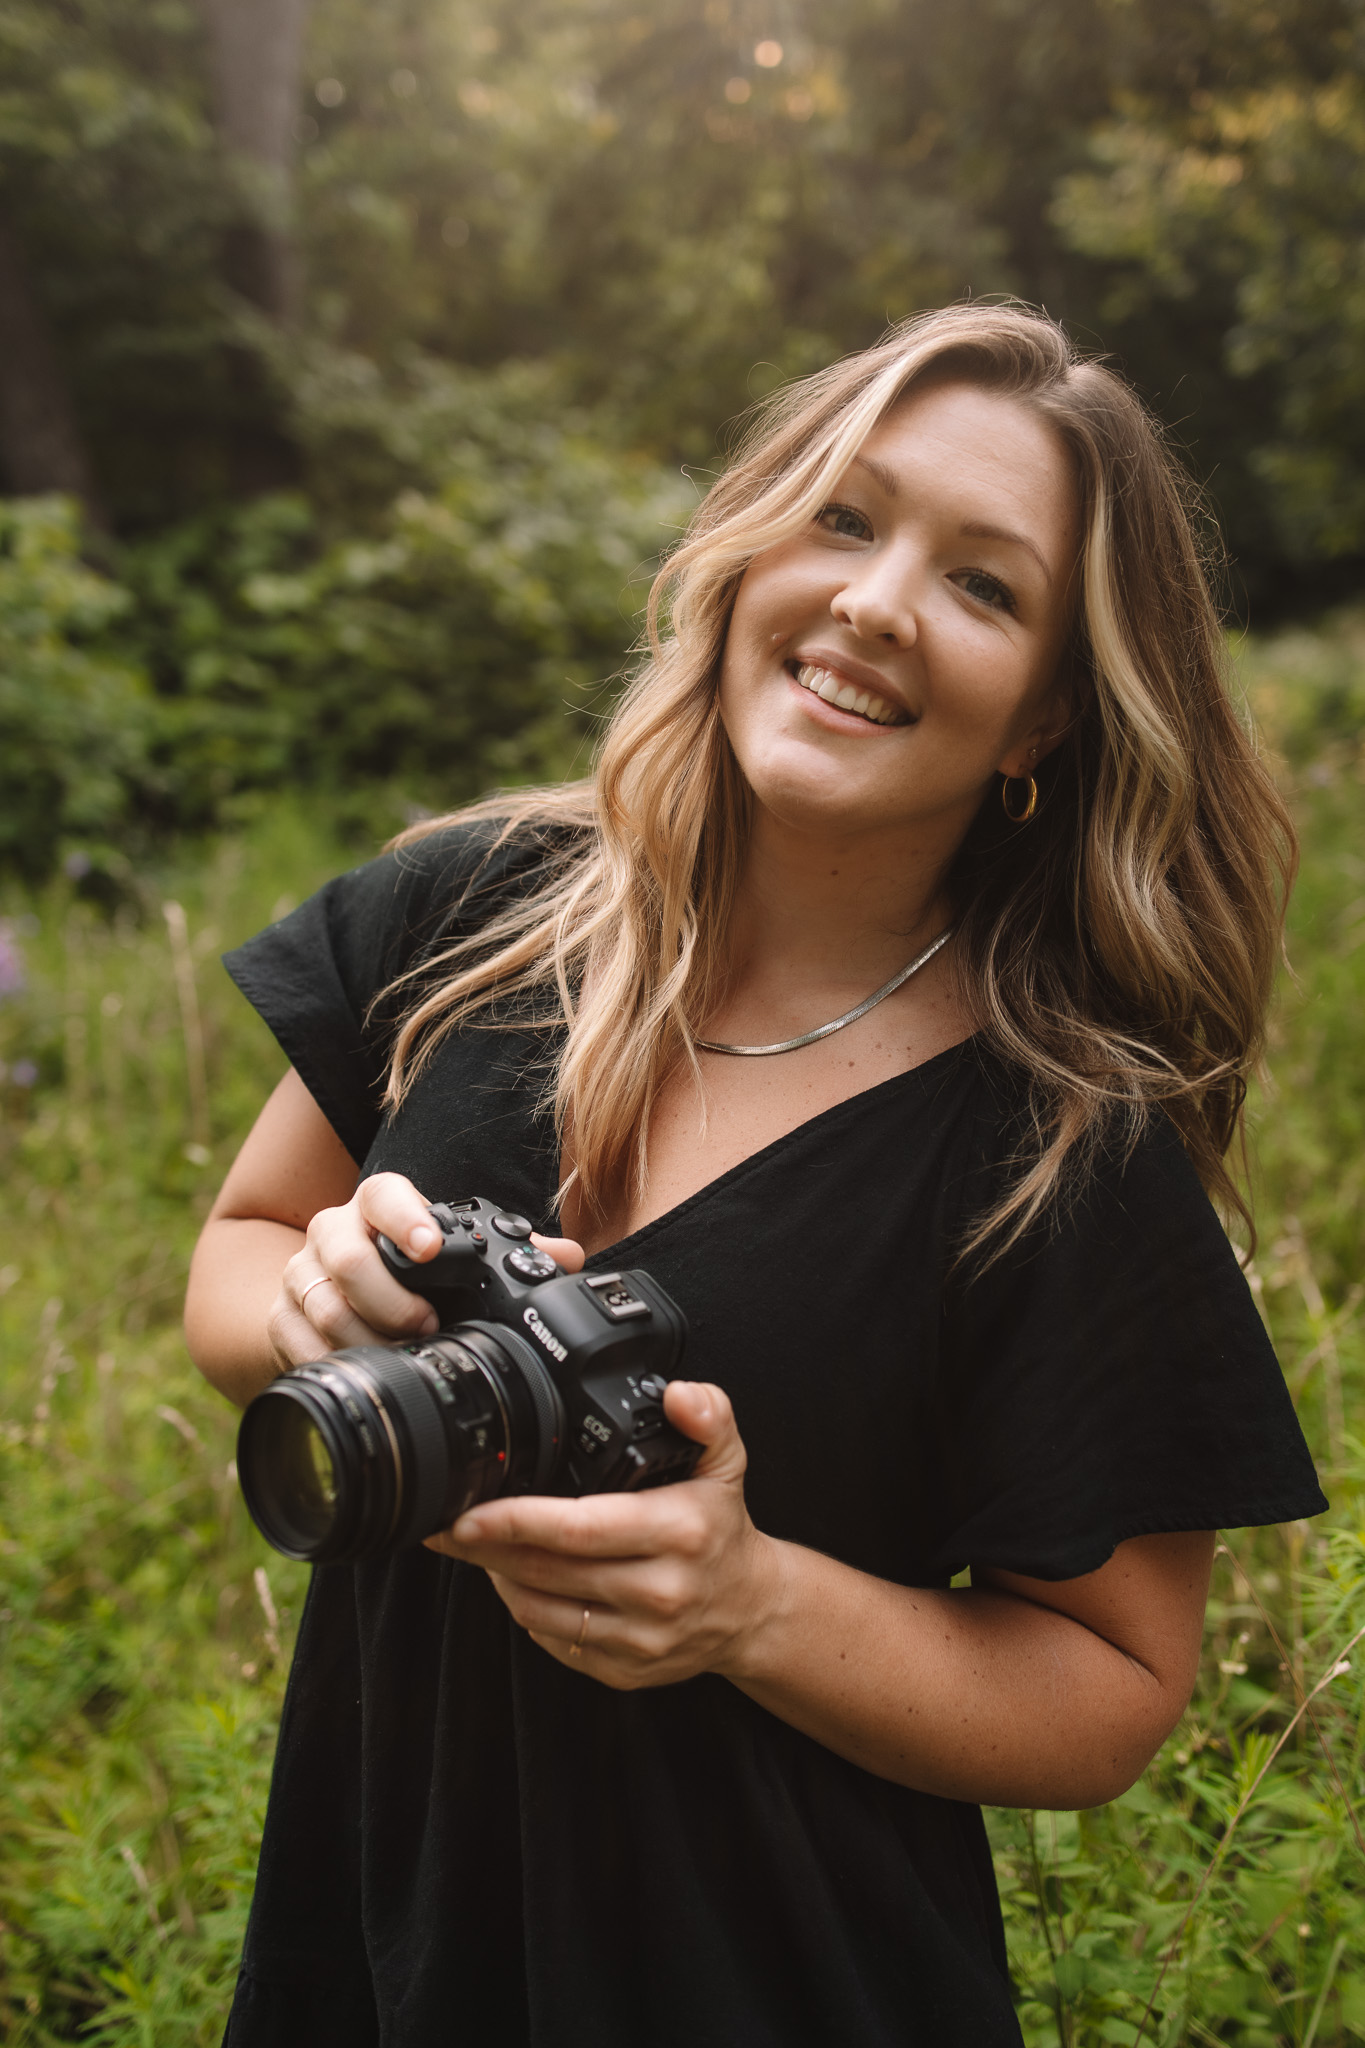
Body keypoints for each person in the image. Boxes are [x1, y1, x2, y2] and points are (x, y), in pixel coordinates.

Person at [185, 302, 1325, 2048]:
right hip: (375, 1941)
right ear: (750, 543)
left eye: (983, 586)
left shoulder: (1052, 1148)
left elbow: (1110, 1693)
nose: (873, 602)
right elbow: (241, 1253)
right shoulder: (471, 911)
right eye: (847, 518)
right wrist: (317, 1306)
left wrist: (752, 1607)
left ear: (1040, 724)